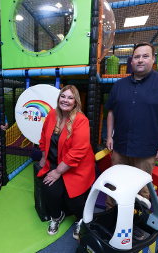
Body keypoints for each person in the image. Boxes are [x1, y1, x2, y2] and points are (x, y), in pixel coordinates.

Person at [105, 42, 158, 240]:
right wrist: (109, 137)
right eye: (136, 57)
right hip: (120, 146)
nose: (140, 60)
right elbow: (111, 112)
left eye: (145, 56)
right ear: (131, 61)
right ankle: (110, 219)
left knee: (141, 190)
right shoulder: (119, 85)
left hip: (147, 148)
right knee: (114, 184)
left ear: (153, 59)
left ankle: (136, 224)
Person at [37, 85, 95, 240]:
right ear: (59, 98)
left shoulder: (81, 121)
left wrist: (57, 172)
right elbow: (43, 137)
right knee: (49, 190)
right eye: (63, 96)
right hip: (56, 163)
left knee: (73, 198)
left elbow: (77, 152)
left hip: (76, 167)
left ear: (75, 102)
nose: (66, 100)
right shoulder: (51, 115)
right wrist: (44, 156)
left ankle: (81, 219)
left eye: (70, 97)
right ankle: (56, 217)